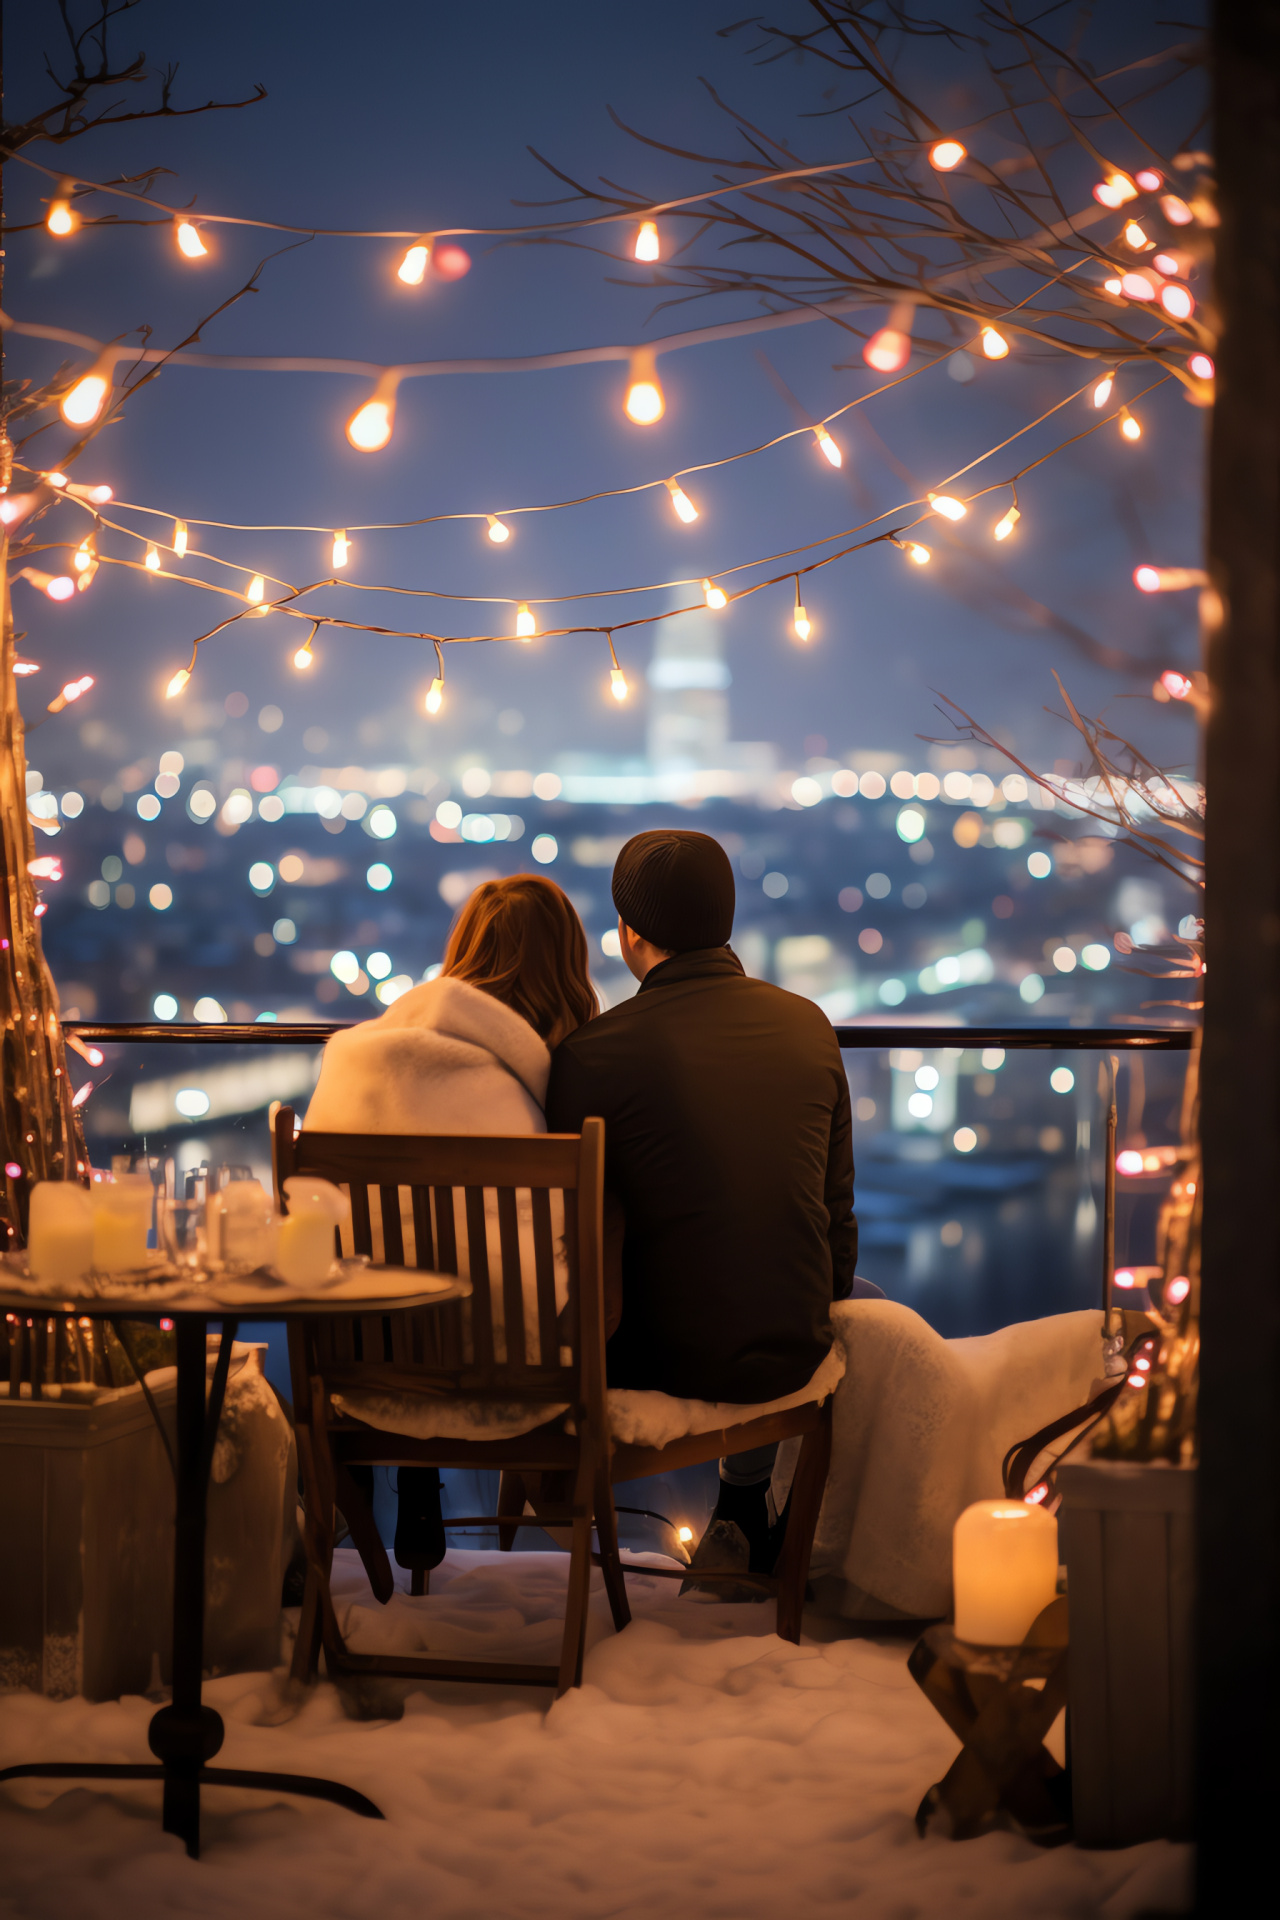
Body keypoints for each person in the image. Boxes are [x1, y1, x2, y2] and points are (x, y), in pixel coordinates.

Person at [545, 828, 858, 1572]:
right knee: (849, 1293)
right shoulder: (809, 1026)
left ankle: (726, 1522)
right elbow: (835, 1219)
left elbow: (571, 1237)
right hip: (791, 1348)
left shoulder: (593, 1055)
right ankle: (747, 1512)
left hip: (658, 1358)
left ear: (628, 933)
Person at [304, 873, 596, 1580]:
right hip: (510, 1385)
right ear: (564, 970)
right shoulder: (527, 1096)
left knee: (406, 1259)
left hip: (356, 1376)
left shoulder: (348, 1064)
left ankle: (408, 1477)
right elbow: (556, 1253)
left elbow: (309, 1228)